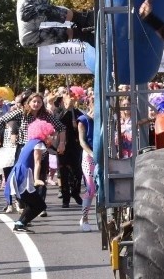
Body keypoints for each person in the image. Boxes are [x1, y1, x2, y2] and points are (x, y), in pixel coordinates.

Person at [7, 119, 56, 233]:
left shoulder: (31, 142)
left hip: (18, 174)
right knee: (39, 205)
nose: (52, 137)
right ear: (44, 133)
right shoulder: (38, 143)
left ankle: (20, 224)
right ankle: (20, 224)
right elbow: (37, 161)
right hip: (23, 176)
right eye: (50, 134)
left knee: (32, 203)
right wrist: (37, 179)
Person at [56, 87, 85, 209]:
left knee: (77, 171)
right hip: (63, 145)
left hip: (76, 145)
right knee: (63, 172)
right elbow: (57, 122)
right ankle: (65, 197)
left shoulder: (78, 112)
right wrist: (67, 109)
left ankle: (75, 192)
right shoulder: (59, 112)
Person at [77, 99, 96, 232]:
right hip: (89, 156)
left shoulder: (108, 117)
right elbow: (82, 142)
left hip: (106, 154)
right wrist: (92, 153)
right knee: (91, 188)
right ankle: (85, 218)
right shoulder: (83, 120)